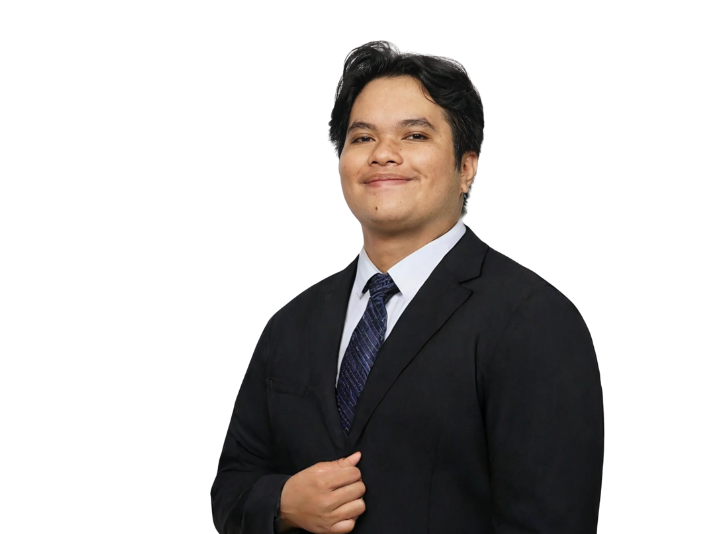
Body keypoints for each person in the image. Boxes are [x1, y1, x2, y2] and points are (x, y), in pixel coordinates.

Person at [211, 41, 604, 534]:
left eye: (414, 135)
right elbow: (232, 486)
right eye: (362, 138)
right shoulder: (292, 324)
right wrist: (283, 501)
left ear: (466, 167)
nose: (383, 155)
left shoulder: (534, 320)